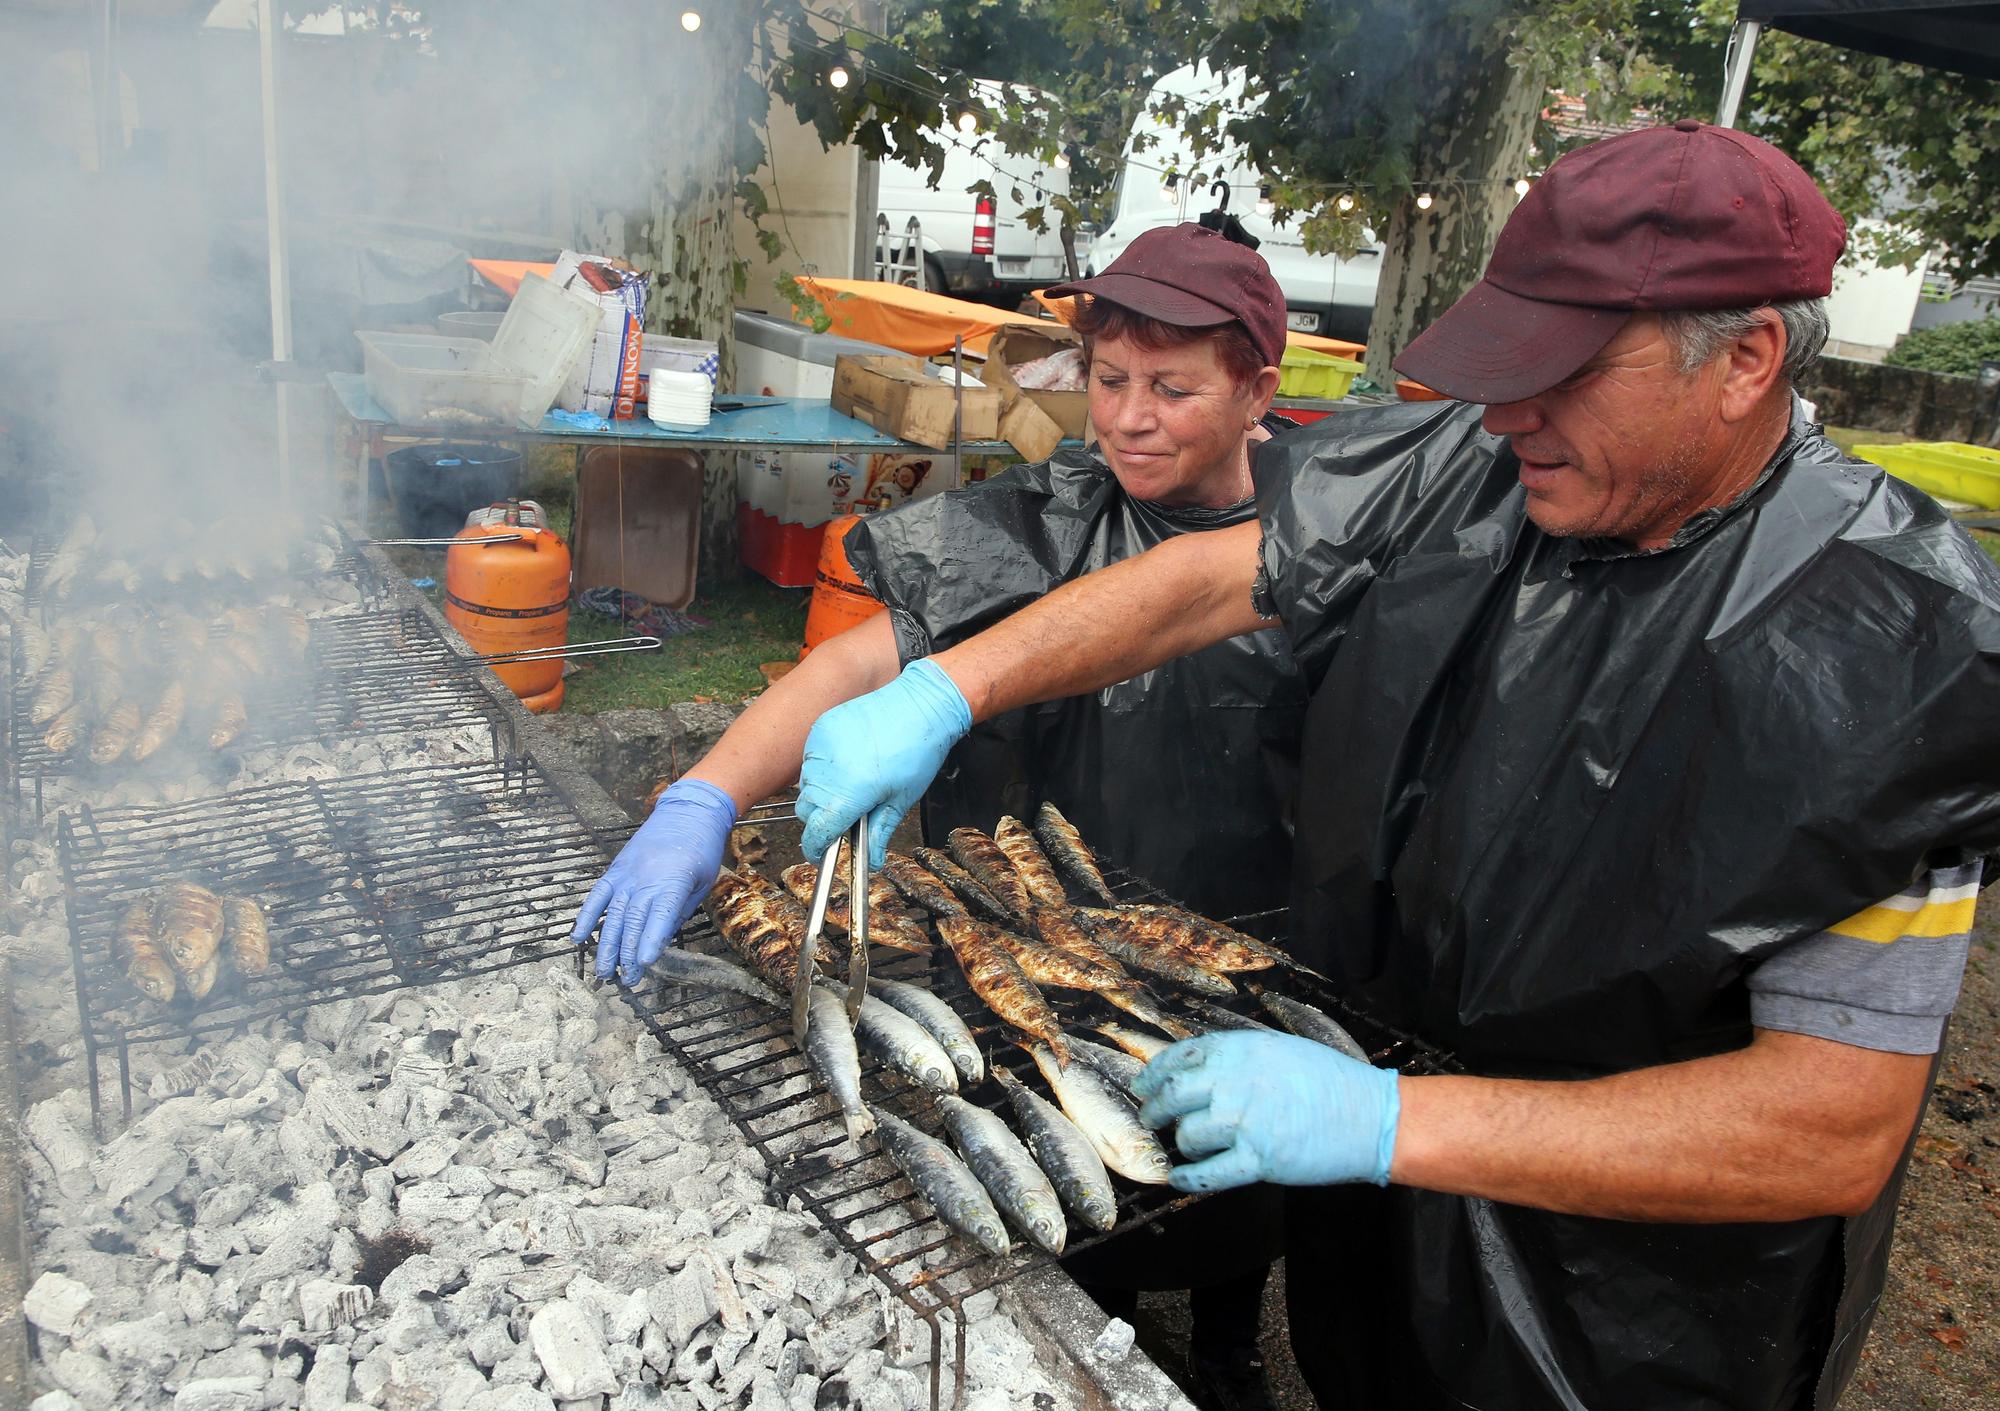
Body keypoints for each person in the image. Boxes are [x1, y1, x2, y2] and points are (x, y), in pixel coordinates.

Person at [784, 120, 2000, 1409]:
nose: (1510, 413)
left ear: (1744, 359)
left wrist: (1384, 1124)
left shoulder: (1897, 646)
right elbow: (1193, 584)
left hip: (1638, 1326)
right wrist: (942, 688)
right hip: (1374, 1227)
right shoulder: (1468, 466)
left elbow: (1826, 1127)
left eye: (1564, 372)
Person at [574, 223, 1311, 1410]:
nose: (1125, 418)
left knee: (1251, 1185)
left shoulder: (1331, 523)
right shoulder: (1040, 518)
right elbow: (846, 669)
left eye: (1171, 389)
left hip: (1260, 911)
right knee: (1090, 1191)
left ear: (1255, 392)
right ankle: (1106, 1336)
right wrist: (702, 797)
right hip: (1033, 911)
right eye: (1108, 382)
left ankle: (1226, 1346)